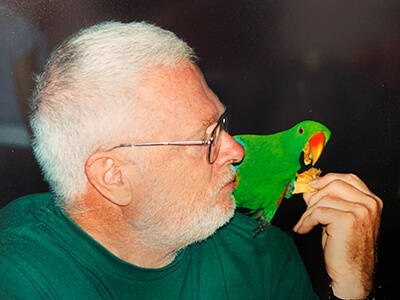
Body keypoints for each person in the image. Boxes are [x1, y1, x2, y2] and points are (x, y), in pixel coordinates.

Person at [0, 21, 382, 299]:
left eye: (222, 122)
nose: (236, 150)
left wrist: (349, 288)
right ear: (113, 175)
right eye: (206, 138)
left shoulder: (263, 256)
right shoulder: (19, 270)